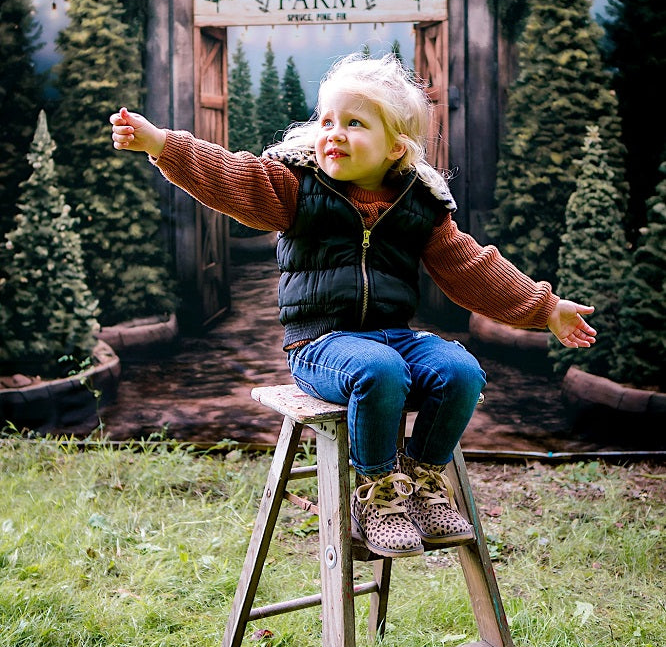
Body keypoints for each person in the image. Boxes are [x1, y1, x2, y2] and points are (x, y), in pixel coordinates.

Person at [110, 52, 596, 559]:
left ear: (395, 148)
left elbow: (472, 268)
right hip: (319, 345)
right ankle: (378, 494)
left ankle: (424, 479)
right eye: (327, 121)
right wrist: (162, 143)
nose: (333, 133)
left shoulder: (419, 206)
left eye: (354, 123)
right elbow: (234, 177)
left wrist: (545, 307)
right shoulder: (296, 188)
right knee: (379, 370)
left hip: (393, 337)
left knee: (461, 371)